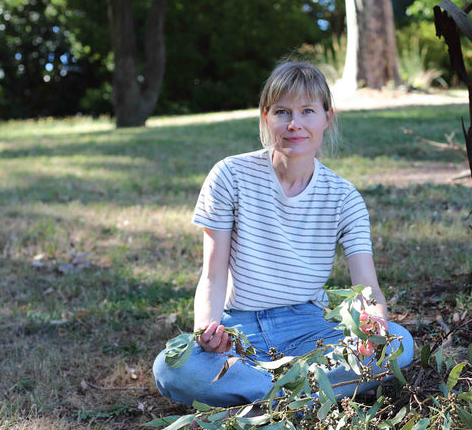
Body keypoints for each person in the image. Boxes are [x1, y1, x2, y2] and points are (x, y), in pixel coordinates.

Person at [152, 61, 414, 407]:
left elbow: (366, 289)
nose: (295, 124)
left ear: (326, 118)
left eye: (307, 111)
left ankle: (263, 394)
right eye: (282, 112)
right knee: (172, 368)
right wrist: (207, 331)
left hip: (311, 327)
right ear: (266, 117)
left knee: (398, 343)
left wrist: (374, 322)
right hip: (240, 329)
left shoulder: (344, 197)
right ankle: (303, 395)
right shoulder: (230, 176)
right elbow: (212, 276)